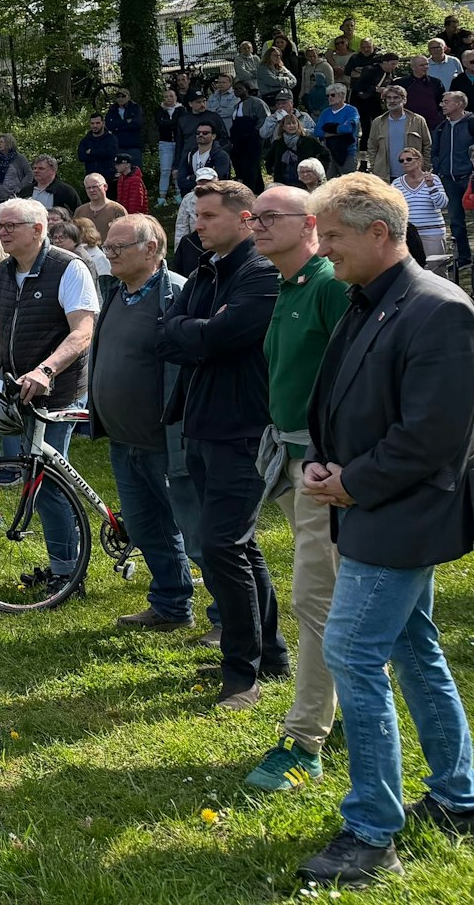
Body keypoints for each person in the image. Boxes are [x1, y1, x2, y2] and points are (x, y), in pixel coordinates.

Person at [295, 173, 474, 886]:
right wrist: (321, 461)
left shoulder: (438, 309)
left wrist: (350, 483)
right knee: (412, 646)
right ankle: (461, 796)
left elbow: (433, 435)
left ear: (380, 234)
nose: (323, 247)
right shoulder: (368, 299)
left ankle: (372, 833)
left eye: (333, 236)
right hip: (369, 506)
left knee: (353, 653)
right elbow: (339, 398)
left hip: (401, 515)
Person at [234, 184, 347, 791]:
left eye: (268, 216)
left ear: (310, 225)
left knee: (315, 601)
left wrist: (331, 461)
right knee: (331, 601)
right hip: (292, 461)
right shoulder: (289, 285)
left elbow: (356, 379)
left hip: (321, 470)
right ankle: (352, 709)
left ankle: (305, 739)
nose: (255, 224)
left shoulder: (329, 286)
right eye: (253, 215)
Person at [159, 179, 282, 712]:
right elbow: (166, 334)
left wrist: (198, 333)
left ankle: (242, 674)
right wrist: (200, 331)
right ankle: (269, 654)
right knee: (240, 546)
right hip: (203, 423)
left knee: (222, 546)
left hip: (244, 428)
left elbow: (213, 338)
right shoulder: (206, 271)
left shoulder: (260, 273)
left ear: (245, 217)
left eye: (208, 216)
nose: (196, 224)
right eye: (196, 215)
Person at [82, 214, 202, 632]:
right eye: (108, 248)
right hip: (124, 439)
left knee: (197, 533)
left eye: (118, 248)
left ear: (151, 249)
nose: (108, 254)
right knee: (148, 529)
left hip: (167, 442)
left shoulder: (179, 293)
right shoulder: (117, 292)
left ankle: (229, 619)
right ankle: (171, 604)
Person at [0, 198, 97, 589]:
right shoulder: (3, 271)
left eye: (12, 225)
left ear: (38, 229)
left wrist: (47, 370)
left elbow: (82, 332)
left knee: (46, 482)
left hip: (57, 392)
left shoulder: (69, 268)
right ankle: (64, 565)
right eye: (0, 224)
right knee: (37, 479)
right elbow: (0, 325)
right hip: (19, 390)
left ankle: (68, 573)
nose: (3, 230)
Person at [431, 90, 474, 266]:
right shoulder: (441, 127)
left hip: (470, 178)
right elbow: (434, 151)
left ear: (459, 104)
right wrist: (439, 167)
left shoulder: (471, 123)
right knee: (456, 220)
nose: (442, 104)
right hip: (448, 179)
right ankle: (463, 257)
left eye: (446, 101)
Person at [394, 148, 452, 269]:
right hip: (409, 236)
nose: (405, 162)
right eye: (401, 160)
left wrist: (431, 186)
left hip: (432, 232)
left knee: (437, 270)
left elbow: (443, 204)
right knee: (412, 272)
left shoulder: (433, 179)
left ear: (419, 161)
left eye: (409, 159)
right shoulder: (396, 184)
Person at [318, 83, 361, 174]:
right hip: (329, 153)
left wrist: (327, 129)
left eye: (333, 95)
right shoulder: (325, 112)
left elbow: (347, 129)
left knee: (348, 184)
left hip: (348, 153)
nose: (330, 97)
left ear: (342, 95)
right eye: (328, 95)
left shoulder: (351, 110)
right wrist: (338, 130)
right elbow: (317, 131)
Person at [0, 134, 31, 209]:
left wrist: (20, 187)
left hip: (16, 197)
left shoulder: (19, 158)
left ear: (9, 143)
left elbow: (29, 174)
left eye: (2, 142)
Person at [155, 87, 184, 205]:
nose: (169, 99)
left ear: (176, 97)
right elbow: (161, 124)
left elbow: (181, 123)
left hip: (179, 142)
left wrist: (168, 124)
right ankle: (162, 197)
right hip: (165, 143)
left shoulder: (181, 109)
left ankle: (178, 194)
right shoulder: (159, 110)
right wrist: (172, 123)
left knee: (178, 169)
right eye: (166, 97)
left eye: (171, 96)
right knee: (165, 169)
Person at [76, 173, 125, 242]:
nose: (91, 190)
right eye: (88, 188)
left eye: (95, 186)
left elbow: (124, 235)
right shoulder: (80, 211)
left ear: (105, 187)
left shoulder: (117, 210)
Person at [76, 114, 121, 183]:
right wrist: (102, 154)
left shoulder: (111, 138)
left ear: (103, 123)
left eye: (97, 123)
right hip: (91, 178)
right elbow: (81, 157)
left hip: (109, 178)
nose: (95, 126)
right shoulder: (85, 140)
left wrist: (92, 152)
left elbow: (111, 153)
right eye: (92, 123)